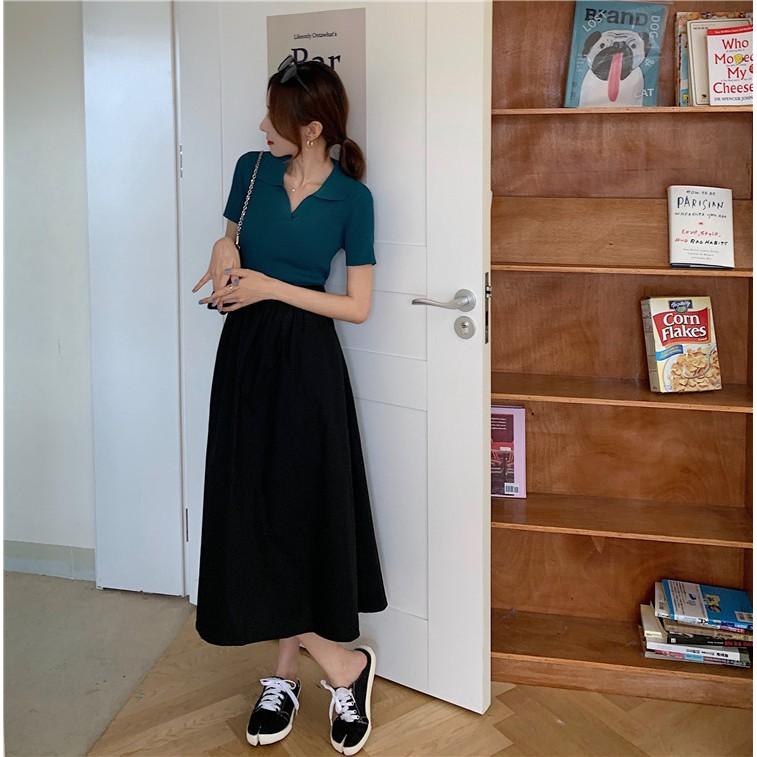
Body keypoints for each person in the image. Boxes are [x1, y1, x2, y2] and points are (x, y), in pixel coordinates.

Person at [191, 55, 388, 757]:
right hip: (244, 360)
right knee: (253, 512)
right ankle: (328, 666)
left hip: (307, 365)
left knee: (299, 511)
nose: (259, 126)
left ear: (310, 129)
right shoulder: (250, 172)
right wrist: (223, 245)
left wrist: (271, 287)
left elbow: (357, 306)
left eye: (273, 117)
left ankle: (306, 669)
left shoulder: (353, 200)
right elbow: (230, 242)